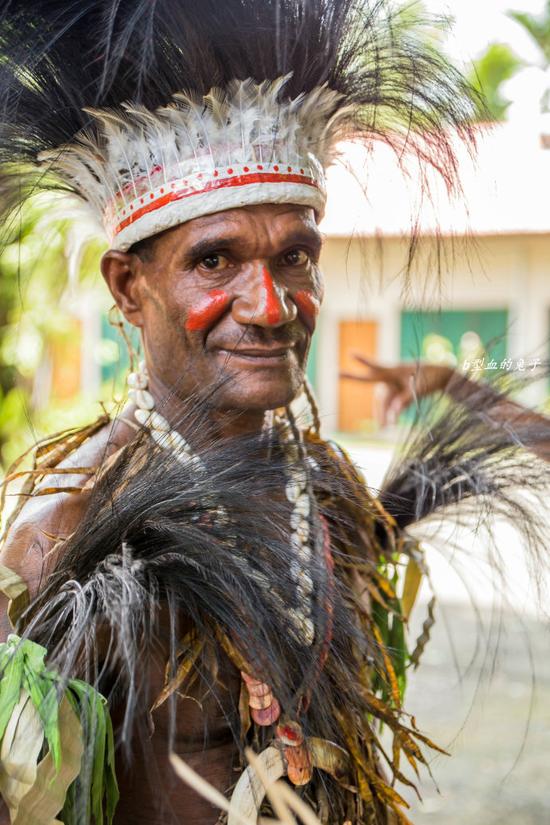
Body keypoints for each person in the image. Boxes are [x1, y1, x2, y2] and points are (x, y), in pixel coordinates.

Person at [0, 2, 548, 824]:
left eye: (295, 256)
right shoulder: (65, 539)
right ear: (127, 285)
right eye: (214, 259)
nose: (269, 304)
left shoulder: (328, 496)